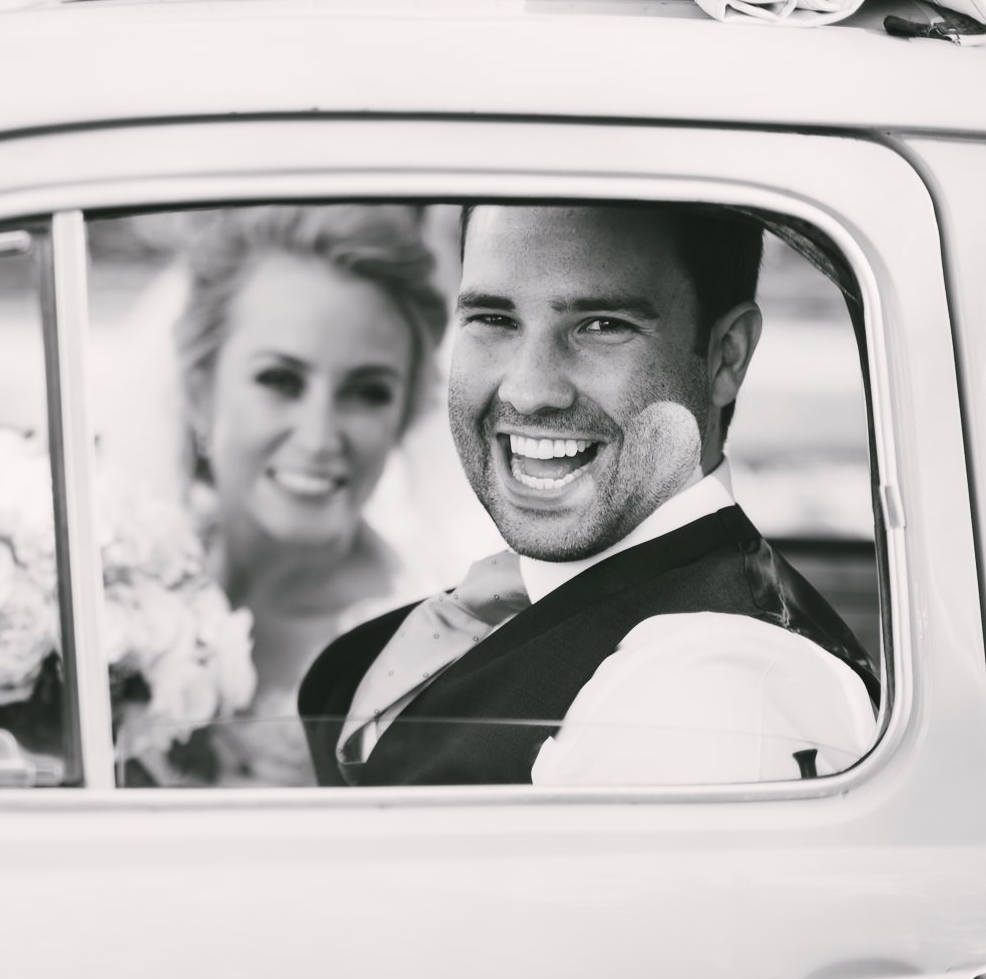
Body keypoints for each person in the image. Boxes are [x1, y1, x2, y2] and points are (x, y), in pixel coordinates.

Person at [300, 203, 880, 788]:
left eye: (602, 325)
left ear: (726, 354)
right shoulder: (544, 600)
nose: (528, 391)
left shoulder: (714, 693)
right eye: (494, 318)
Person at [167, 204, 451, 783]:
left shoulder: (424, 661)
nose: (319, 438)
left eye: (367, 392)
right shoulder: (116, 584)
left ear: (402, 417)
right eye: (280, 380)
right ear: (200, 392)